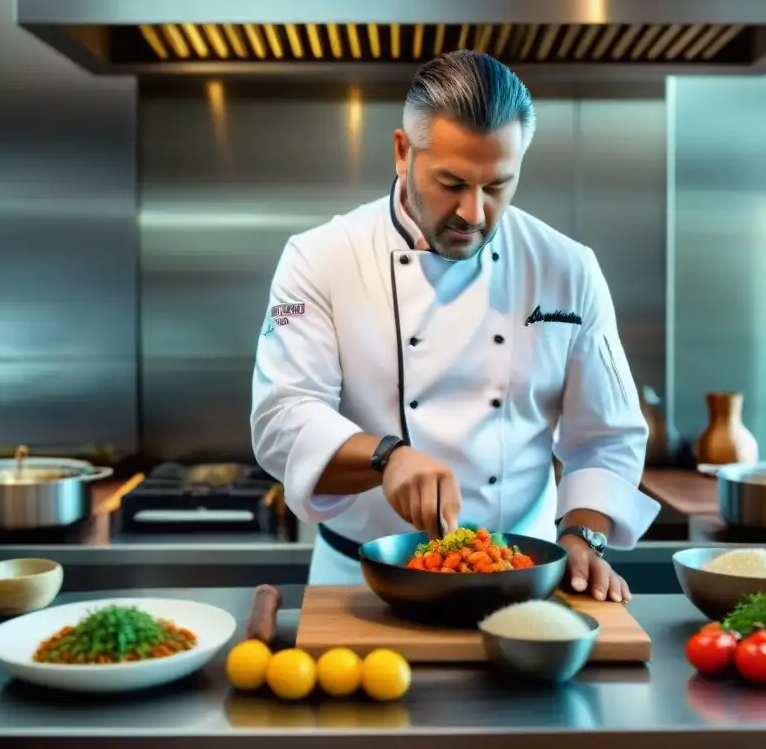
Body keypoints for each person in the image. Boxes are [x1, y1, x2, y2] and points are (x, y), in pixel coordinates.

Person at [251, 50, 660, 602]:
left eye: (497, 186)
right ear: (402, 152)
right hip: (362, 585)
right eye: (452, 183)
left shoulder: (566, 266)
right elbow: (282, 418)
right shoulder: (321, 258)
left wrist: (584, 536)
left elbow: (607, 438)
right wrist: (385, 458)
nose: (474, 213)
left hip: (523, 577)